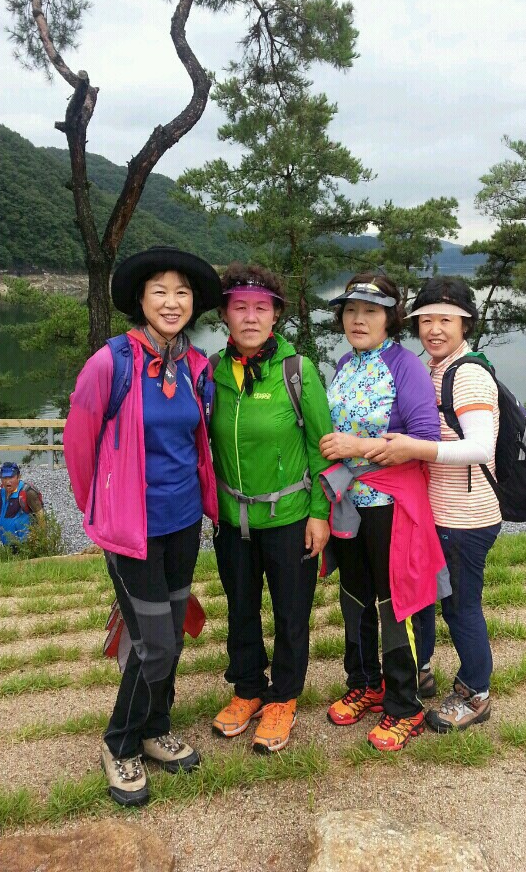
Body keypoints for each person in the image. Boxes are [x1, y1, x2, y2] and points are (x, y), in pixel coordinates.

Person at [63, 247, 221, 807]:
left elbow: (198, 442)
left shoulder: (196, 366)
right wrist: (99, 511)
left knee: (170, 632)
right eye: (160, 291)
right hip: (130, 528)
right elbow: (78, 445)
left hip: (182, 522)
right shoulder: (112, 362)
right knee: (154, 641)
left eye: (182, 292)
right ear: (141, 300)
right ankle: (121, 743)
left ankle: (156, 729)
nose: (172, 302)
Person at [366, 276, 501, 732]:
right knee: (421, 598)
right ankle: (420, 670)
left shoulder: (469, 374)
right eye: (426, 320)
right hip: (432, 511)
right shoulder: (430, 368)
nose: (435, 329)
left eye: (446, 320)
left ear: (465, 325)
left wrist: (413, 448)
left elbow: (481, 447)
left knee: (460, 606)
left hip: (467, 516)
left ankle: (475, 692)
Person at [209, 262, 332, 754]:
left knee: (290, 612)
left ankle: (283, 696)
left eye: (261, 308)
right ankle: (248, 688)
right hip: (231, 518)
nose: (250, 317)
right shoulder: (212, 372)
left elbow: (323, 447)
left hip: (290, 516)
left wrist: (320, 512)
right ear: (224, 314)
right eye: (239, 307)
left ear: (276, 315)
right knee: (240, 608)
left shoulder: (296, 371)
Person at [319, 273, 444, 751]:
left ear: (390, 317)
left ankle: (404, 705)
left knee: (396, 604)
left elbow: (424, 438)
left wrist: (357, 446)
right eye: (351, 310)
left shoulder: (405, 366)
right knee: (354, 596)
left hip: (390, 502)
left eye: (370, 311)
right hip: (347, 501)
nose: (358, 319)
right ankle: (365, 682)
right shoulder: (345, 364)